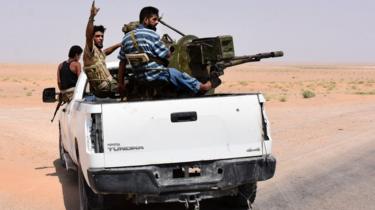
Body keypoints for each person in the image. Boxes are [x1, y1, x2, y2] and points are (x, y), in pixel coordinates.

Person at [117, 6, 221, 95]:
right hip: (157, 76)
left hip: (140, 78)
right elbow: (167, 56)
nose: (157, 22)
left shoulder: (126, 38)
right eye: (154, 19)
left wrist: (120, 84)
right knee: (174, 72)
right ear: (145, 20)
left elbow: (122, 62)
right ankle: (203, 87)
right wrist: (171, 51)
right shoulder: (151, 35)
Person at [83, 1, 121, 97]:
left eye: (102, 36)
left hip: (110, 87)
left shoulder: (98, 53)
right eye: (97, 36)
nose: (101, 38)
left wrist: (120, 44)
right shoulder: (90, 50)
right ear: (92, 38)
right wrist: (92, 17)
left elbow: (106, 52)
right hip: (105, 88)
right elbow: (88, 35)